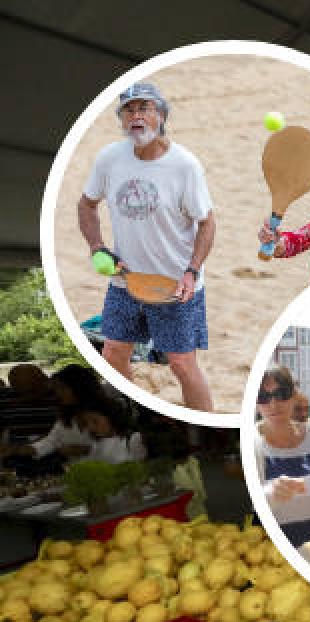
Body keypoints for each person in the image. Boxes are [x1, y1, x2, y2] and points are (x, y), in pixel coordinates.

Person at [78, 82, 216, 412]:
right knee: (112, 353)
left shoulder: (185, 166)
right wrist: (98, 247)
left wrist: (192, 270)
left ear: (161, 115)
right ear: (122, 119)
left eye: (145, 108)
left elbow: (207, 222)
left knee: (182, 363)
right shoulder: (109, 159)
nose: (136, 116)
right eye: (129, 109)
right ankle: (136, 411)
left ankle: (202, 427)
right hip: (125, 279)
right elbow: (86, 205)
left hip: (174, 284)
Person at [252, 366, 310, 547]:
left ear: (293, 395)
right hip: (276, 557)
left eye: (281, 393)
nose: (274, 404)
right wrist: (267, 495)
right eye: (263, 397)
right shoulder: (250, 445)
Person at [0, 365, 105, 463]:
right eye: (57, 389)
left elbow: (118, 444)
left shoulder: (106, 412)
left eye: (62, 389)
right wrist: (16, 450)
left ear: (80, 388)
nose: (58, 393)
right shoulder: (66, 414)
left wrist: (88, 449)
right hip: (76, 469)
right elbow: (51, 441)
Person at [76, 394, 147, 464]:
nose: (90, 428)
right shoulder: (97, 444)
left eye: (95, 421)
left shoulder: (133, 438)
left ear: (110, 417)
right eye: (86, 423)